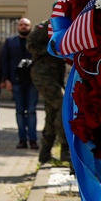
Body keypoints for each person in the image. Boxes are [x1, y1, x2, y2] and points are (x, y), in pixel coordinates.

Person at [27, 18, 69, 164]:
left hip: (56, 76)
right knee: (64, 105)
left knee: (52, 112)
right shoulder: (46, 26)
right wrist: (52, 48)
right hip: (42, 74)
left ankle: (45, 153)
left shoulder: (67, 25)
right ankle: (65, 149)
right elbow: (30, 45)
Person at [2, 17, 39, 149]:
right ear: (18, 27)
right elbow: (5, 61)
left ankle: (33, 140)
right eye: (21, 24)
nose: (23, 26)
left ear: (30, 27)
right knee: (19, 111)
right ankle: (22, 139)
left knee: (31, 111)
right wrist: (6, 80)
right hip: (16, 81)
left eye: (26, 25)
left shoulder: (35, 42)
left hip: (33, 82)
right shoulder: (10, 42)